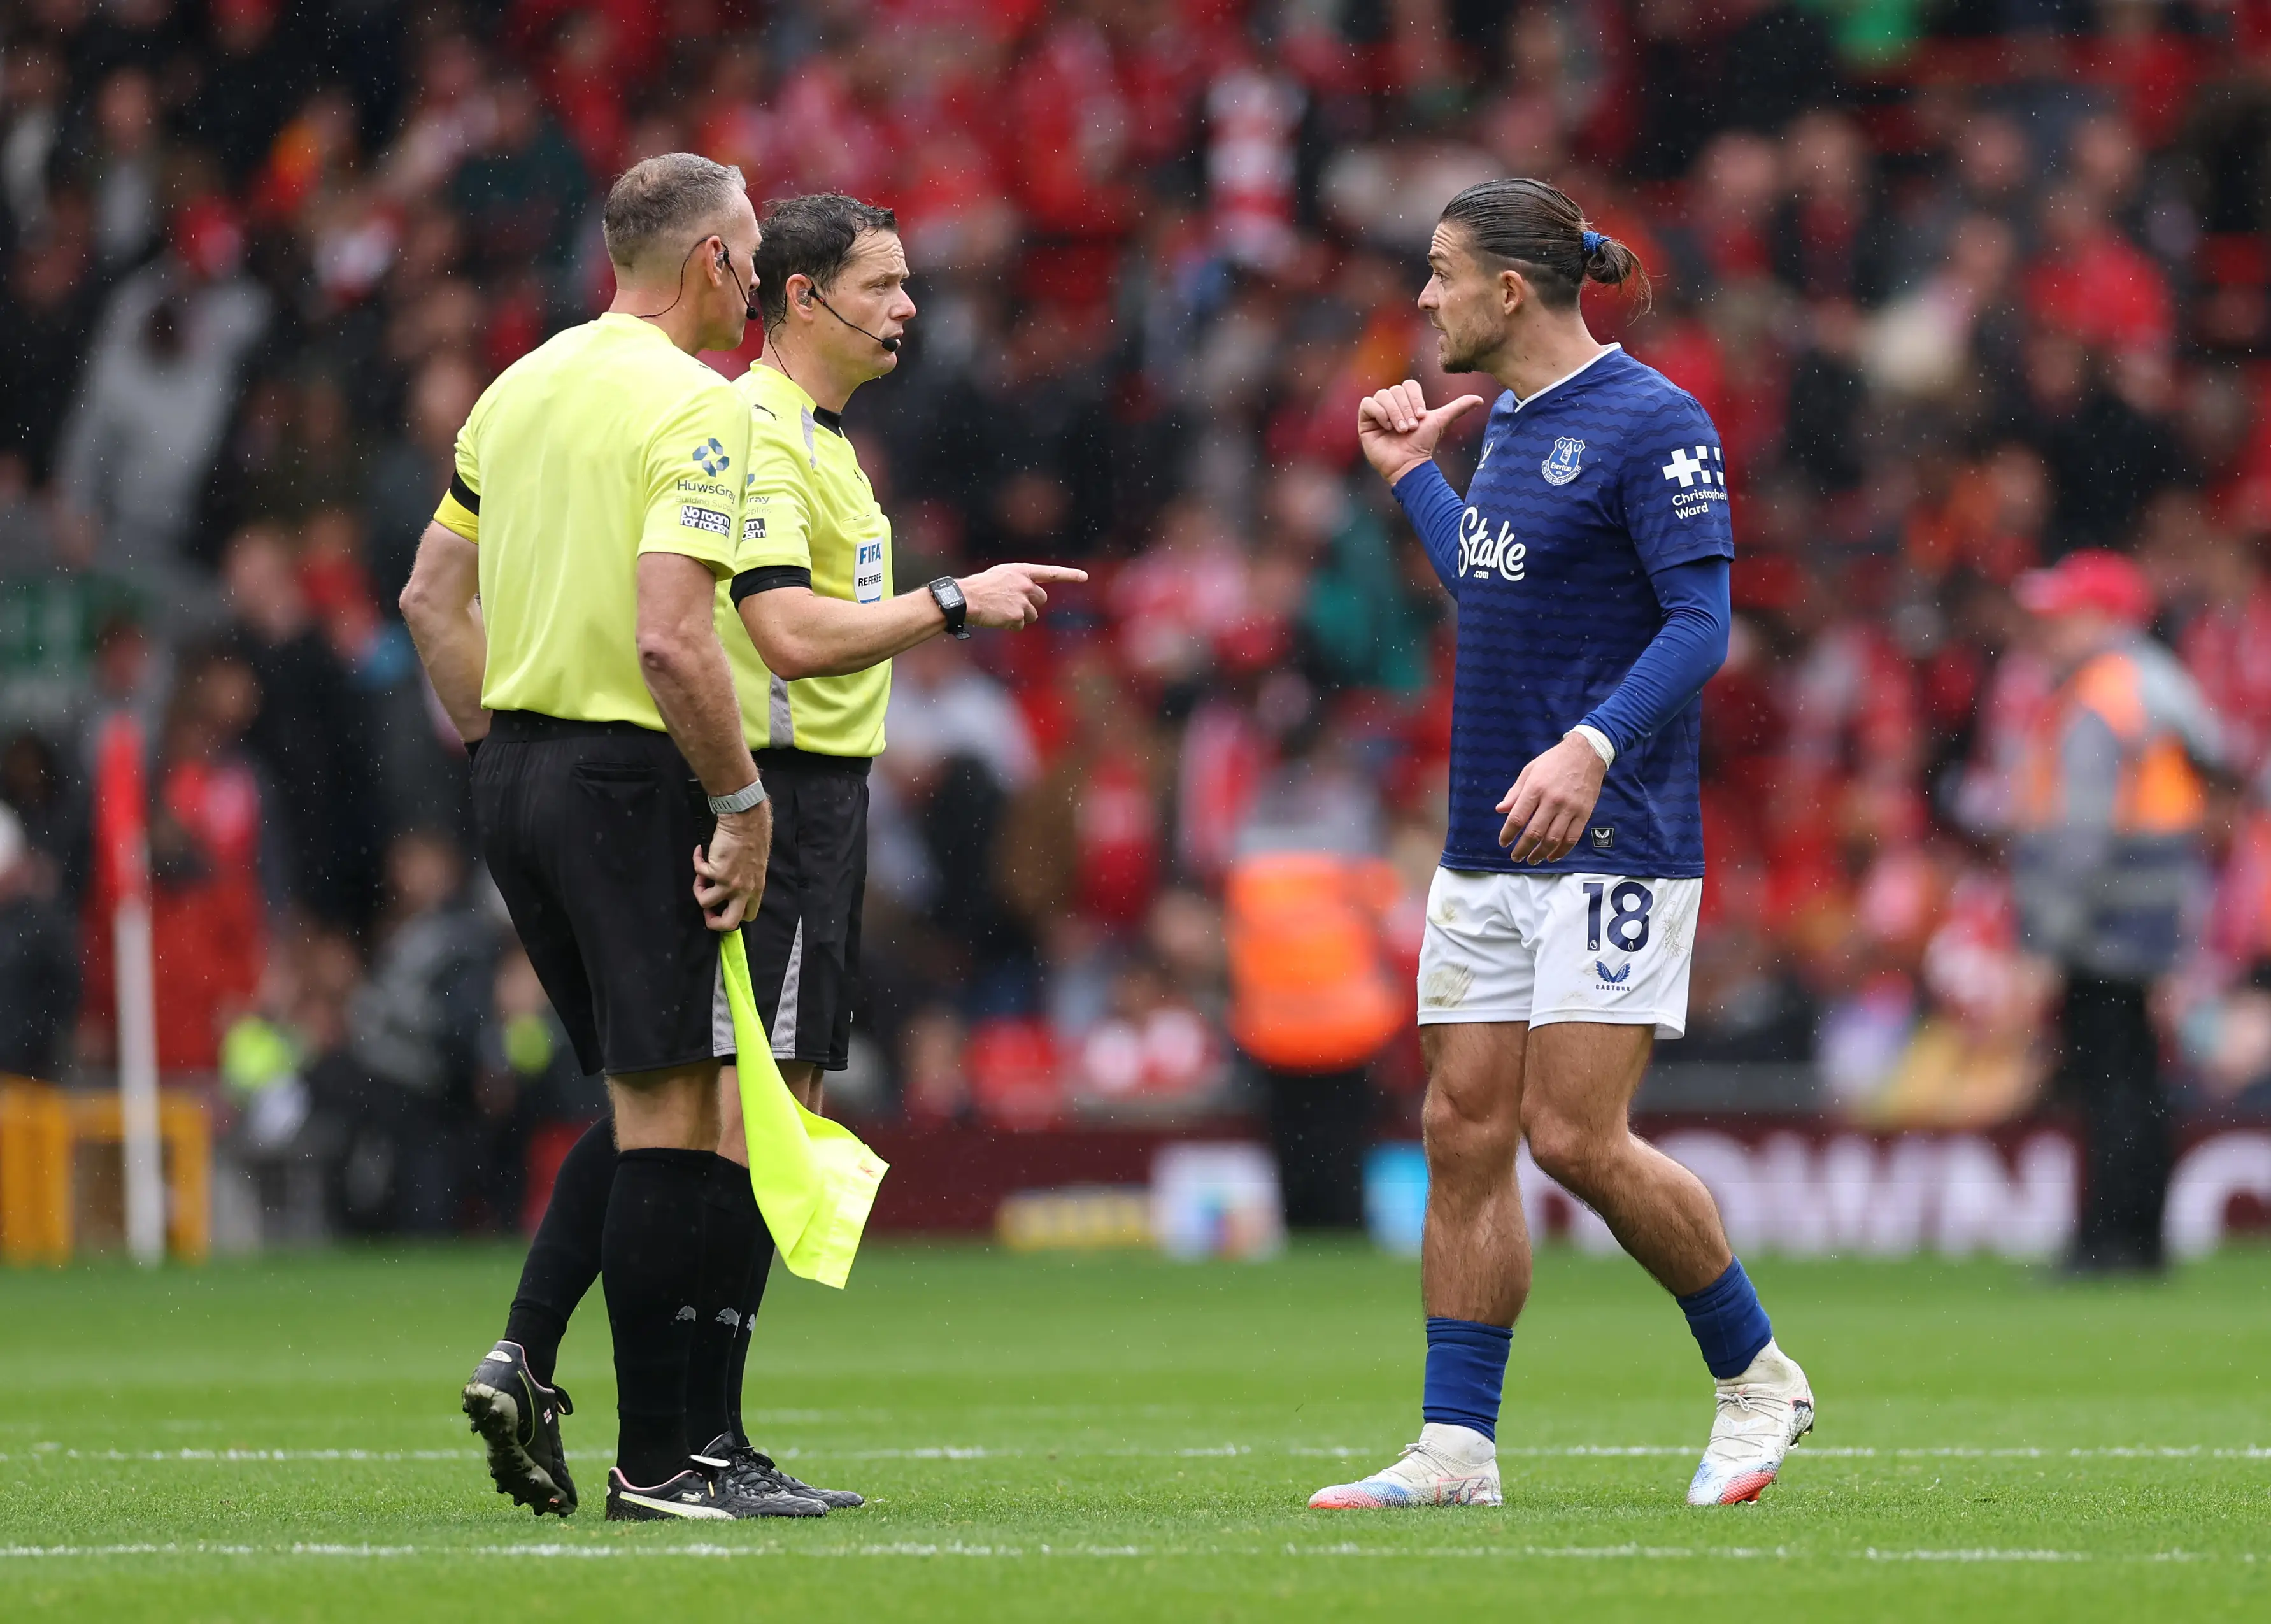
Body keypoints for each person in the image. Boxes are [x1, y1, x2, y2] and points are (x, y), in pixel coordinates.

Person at [475, 190, 1085, 1514]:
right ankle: (685, 1441)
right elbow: (787, 634)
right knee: (727, 1120)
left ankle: (647, 1407)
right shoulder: (747, 427)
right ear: (796, 295)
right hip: (776, 795)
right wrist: (951, 603)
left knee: (742, 1117)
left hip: (811, 796)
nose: (906, 308)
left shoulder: (817, 440)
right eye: (880, 285)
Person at [1309, 179, 1811, 1513]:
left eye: (1438, 272)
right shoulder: (1516, 424)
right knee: (1461, 1129)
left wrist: (1590, 745)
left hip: (1617, 837)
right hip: (1487, 837)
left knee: (1573, 1138)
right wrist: (1414, 478)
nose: (1423, 300)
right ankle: (1455, 1449)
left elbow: (1699, 627)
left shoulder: (1656, 421)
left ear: (1510, 290)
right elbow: (1491, 588)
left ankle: (1756, 1374)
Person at [399, 153, 792, 1523]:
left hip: (516, 772)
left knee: (643, 1104)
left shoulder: (518, 386)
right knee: (680, 1109)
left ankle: (579, 1387)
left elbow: (427, 598)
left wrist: (502, 748)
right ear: (711, 264)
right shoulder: (701, 407)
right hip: (632, 776)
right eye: (747, 252)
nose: (754, 276)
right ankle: (665, 1462)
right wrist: (740, 805)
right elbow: (673, 637)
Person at [2009, 550, 2223, 1275]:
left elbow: (2081, 836)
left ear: (2103, 617)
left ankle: (2107, 1244)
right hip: (2153, 921)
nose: (2044, 632)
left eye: (2059, 616)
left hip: (2102, 924)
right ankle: (2140, 1238)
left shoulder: (2100, 697)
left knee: (2108, 1085)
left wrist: (2047, 940)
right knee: (2137, 1080)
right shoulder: (2155, 684)